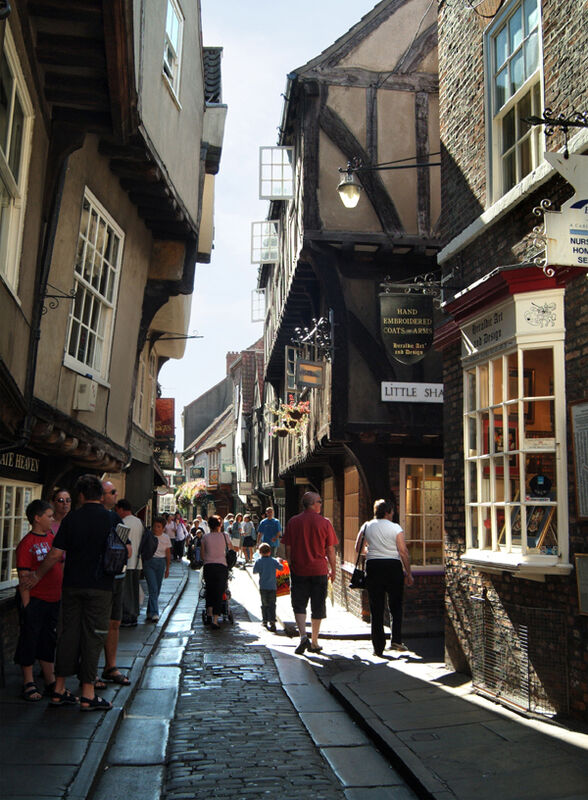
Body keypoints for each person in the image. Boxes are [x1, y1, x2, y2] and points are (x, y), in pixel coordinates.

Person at [21, 474, 115, 711]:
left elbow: (54, 554)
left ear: (81, 496)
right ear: (100, 495)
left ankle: (59, 689)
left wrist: (36, 576)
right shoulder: (111, 519)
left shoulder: (71, 519)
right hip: (100, 586)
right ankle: (88, 693)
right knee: (93, 636)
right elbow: (126, 550)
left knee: (67, 635)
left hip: (72, 585)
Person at [15, 500, 63, 701]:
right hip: (36, 599)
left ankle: (50, 679)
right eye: (49, 516)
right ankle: (28, 681)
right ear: (37, 517)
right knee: (29, 639)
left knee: (47, 640)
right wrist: (26, 605)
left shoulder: (52, 537)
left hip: (53, 598)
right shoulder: (27, 543)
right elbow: (24, 577)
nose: (52, 519)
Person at [355, 498, 414, 657]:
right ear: (388, 512)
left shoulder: (367, 525)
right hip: (393, 567)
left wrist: (372, 552)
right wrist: (408, 573)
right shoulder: (395, 528)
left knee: (376, 608)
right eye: (392, 511)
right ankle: (396, 640)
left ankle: (378, 647)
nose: (393, 514)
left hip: (373, 567)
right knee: (395, 605)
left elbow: (358, 548)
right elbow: (403, 552)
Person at [282, 492, 337, 655]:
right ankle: (314, 641)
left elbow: (288, 548)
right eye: (320, 501)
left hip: (299, 570)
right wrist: (333, 569)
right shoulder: (324, 523)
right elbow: (330, 550)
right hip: (319, 570)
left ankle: (302, 637)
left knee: (299, 604)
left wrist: (291, 564)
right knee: (318, 605)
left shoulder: (293, 522)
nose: (321, 504)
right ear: (313, 504)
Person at [100, 479, 131, 686]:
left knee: (111, 623)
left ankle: (108, 667)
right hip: (105, 579)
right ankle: (99, 669)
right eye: (112, 492)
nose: (115, 496)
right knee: (104, 624)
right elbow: (127, 550)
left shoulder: (116, 520)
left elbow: (128, 548)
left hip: (113, 577)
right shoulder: (115, 520)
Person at [115, 499, 144, 627]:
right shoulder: (139, 522)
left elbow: (118, 543)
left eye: (117, 510)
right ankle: (134, 614)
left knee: (126, 591)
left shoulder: (123, 523)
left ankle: (127, 616)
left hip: (125, 562)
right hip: (138, 562)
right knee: (134, 590)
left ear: (121, 509)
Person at [200, 515, 233, 629]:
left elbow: (202, 555)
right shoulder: (225, 536)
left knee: (209, 589)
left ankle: (209, 612)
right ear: (219, 525)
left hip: (209, 566)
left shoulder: (205, 537)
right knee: (219, 592)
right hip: (221, 566)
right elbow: (232, 549)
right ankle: (215, 619)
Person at [143, 516, 171, 622]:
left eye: (159, 527)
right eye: (155, 526)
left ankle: (150, 611)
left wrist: (167, 568)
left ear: (163, 528)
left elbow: (168, 554)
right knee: (153, 588)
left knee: (157, 589)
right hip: (149, 562)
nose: (156, 528)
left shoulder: (166, 538)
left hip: (160, 563)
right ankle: (155, 613)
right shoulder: (148, 536)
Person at [252, 543, 281, 632]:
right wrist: (279, 561)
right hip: (272, 587)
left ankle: (265, 620)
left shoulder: (259, 561)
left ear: (260, 552)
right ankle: (272, 621)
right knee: (272, 604)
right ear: (270, 552)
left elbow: (254, 571)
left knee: (264, 604)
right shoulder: (273, 561)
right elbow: (281, 567)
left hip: (263, 586)